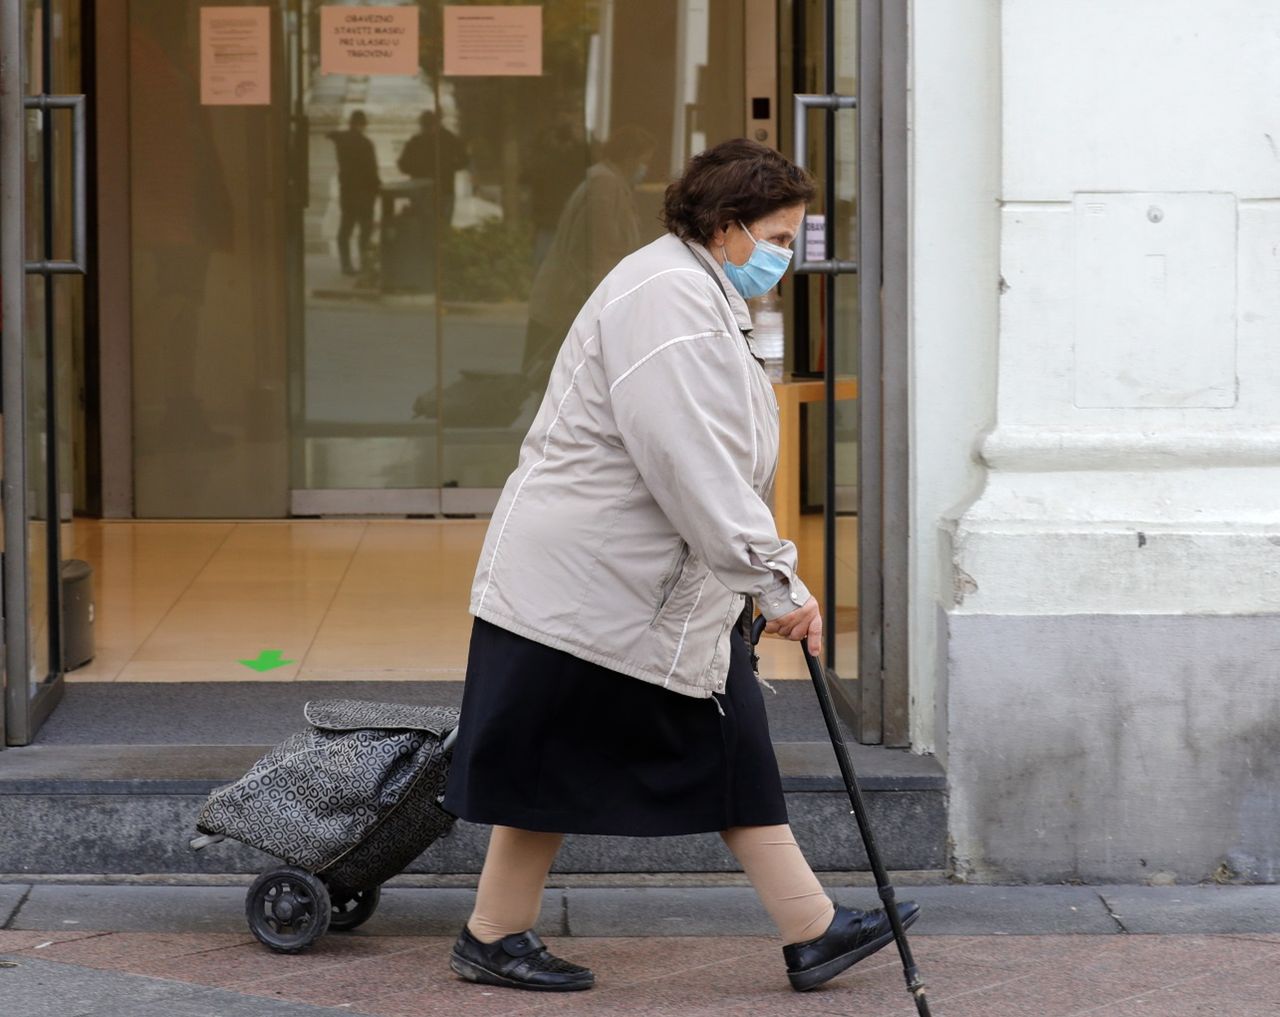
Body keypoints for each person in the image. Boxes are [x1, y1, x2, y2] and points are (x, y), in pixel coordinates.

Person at [442, 138, 919, 994]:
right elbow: (693, 463)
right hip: (591, 586)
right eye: (777, 234)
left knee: (706, 745)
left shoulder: (694, 291)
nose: (784, 254)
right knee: (582, 755)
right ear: (727, 226)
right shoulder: (669, 302)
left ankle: (810, 927)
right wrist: (775, 580)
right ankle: (493, 932)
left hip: (625, 584)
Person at [521, 125, 656, 394]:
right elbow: (599, 250)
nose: (645, 168)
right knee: (560, 389)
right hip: (569, 304)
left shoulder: (609, 182)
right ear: (630, 157)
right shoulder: (604, 186)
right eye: (644, 160)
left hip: (571, 302)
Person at [327, 110, 380, 276]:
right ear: (362, 124)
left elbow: (330, 134)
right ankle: (364, 264)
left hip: (347, 191)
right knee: (365, 230)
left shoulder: (341, 140)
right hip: (365, 192)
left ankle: (346, 265)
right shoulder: (366, 144)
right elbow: (371, 170)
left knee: (345, 229)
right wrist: (378, 187)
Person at [397, 109, 468, 230]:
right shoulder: (448, 138)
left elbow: (403, 165)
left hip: (421, 190)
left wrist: (416, 170)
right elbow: (464, 159)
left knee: (424, 228)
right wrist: (451, 168)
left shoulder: (415, 141)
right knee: (444, 228)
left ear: (421, 125)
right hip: (445, 188)